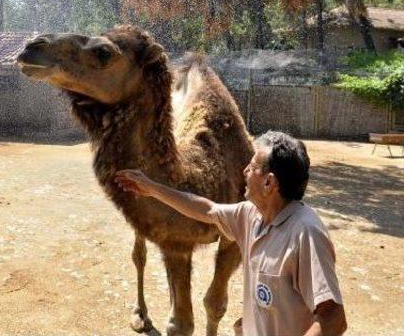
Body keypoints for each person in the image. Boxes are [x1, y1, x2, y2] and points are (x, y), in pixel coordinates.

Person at [115, 131, 347, 336]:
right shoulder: (251, 216)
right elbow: (207, 209)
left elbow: (333, 319)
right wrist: (152, 188)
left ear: (269, 183)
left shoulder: (306, 233)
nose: (244, 171)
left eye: (252, 166)